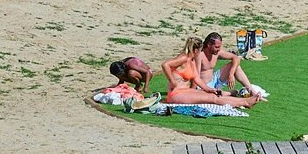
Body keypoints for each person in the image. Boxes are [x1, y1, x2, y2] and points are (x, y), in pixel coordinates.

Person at [107, 53, 255, 109]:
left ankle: (243, 100)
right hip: (176, 94)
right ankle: (244, 102)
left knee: (213, 96)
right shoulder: (184, 59)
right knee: (213, 99)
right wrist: (172, 80)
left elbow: (196, 79)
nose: (199, 54)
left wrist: (209, 89)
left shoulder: (189, 59)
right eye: (198, 51)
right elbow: (165, 65)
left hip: (185, 91)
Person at [197, 32, 265, 98]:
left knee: (235, 66)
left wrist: (231, 74)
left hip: (214, 80)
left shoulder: (217, 52)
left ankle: (252, 91)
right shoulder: (200, 55)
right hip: (203, 86)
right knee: (211, 96)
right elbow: (195, 77)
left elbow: (236, 58)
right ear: (209, 45)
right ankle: (229, 93)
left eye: (219, 47)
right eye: (216, 47)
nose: (219, 49)